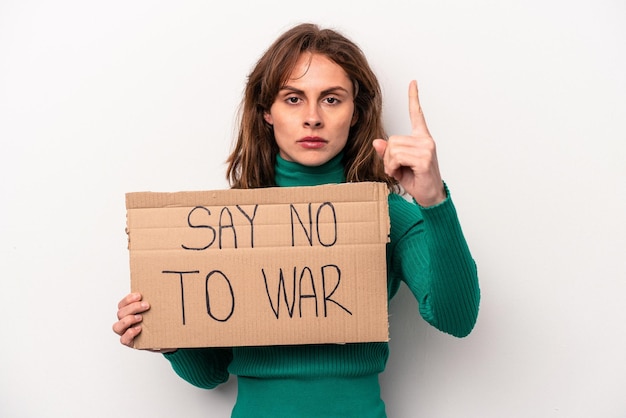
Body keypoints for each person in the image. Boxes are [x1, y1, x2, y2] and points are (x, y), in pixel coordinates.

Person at [113, 22, 480, 417]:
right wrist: (168, 335)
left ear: (356, 112)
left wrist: (434, 200)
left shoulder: (388, 214)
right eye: (293, 99)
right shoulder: (225, 223)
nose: (312, 118)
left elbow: (457, 318)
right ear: (266, 112)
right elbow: (211, 373)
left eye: (332, 99)